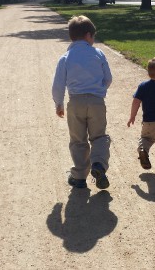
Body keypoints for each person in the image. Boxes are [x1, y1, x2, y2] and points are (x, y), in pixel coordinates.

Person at [52, 15, 112, 189]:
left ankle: (79, 177)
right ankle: (98, 164)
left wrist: (59, 103)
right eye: (93, 36)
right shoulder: (98, 54)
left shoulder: (65, 57)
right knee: (99, 136)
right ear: (88, 35)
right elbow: (108, 78)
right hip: (96, 102)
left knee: (78, 139)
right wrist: (100, 90)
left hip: (75, 102)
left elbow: (58, 84)